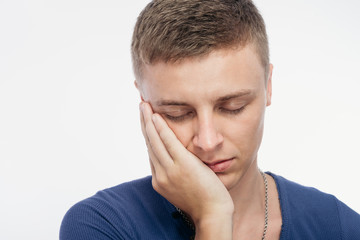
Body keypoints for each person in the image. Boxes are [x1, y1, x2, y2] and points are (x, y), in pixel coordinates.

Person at [60, 0, 360, 239]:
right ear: (144, 104)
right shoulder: (102, 226)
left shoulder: (340, 227)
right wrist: (214, 217)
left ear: (268, 85)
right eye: (177, 113)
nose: (207, 141)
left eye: (232, 106)